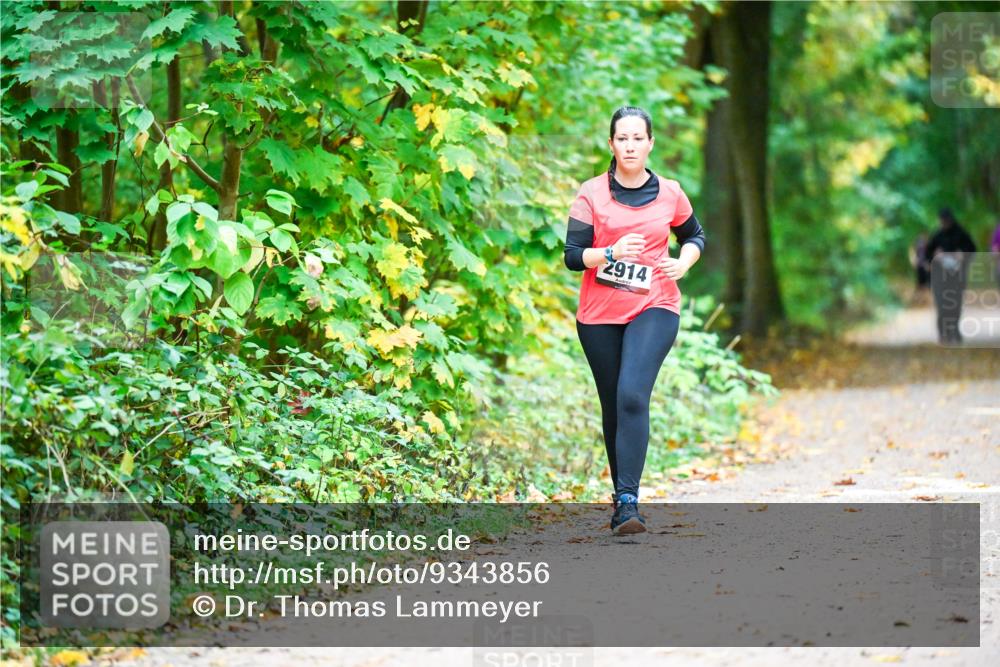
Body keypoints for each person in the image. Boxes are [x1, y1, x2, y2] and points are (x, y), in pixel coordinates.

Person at [563, 106, 705, 535]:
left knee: (631, 394)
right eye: (621, 138)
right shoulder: (590, 194)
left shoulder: (671, 192)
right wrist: (609, 253)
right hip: (599, 315)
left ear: (650, 143)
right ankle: (620, 498)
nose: (629, 145)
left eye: (637, 138)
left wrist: (686, 260)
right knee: (613, 406)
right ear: (611, 144)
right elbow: (572, 257)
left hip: (655, 305)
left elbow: (694, 235)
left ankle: (628, 503)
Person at [923, 207, 977, 344]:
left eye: (946, 220)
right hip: (940, 276)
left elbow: (972, 250)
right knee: (941, 303)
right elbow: (927, 254)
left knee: (955, 303)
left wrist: (962, 255)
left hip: (957, 275)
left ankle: (954, 331)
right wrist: (935, 256)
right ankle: (943, 332)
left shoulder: (961, 234)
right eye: (942, 221)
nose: (944, 223)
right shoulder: (937, 235)